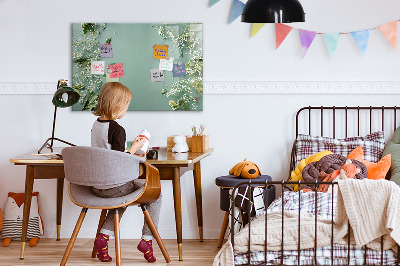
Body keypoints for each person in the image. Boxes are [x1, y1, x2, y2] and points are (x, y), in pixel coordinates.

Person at [91, 82, 161, 263]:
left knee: (121, 197)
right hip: (114, 186)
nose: (126, 110)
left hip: (97, 186)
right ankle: (147, 240)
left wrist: (130, 150)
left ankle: (103, 238)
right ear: (117, 105)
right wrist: (135, 148)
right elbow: (119, 161)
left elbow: (108, 154)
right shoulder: (117, 129)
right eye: (126, 106)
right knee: (156, 194)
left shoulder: (96, 125)